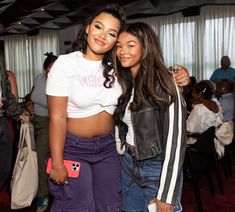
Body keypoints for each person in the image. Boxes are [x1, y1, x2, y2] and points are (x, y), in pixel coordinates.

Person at [46, 5, 189, 212]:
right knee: (77, 206)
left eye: (111, 33)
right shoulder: (66, 63)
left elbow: (147, 72)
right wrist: (57, 163)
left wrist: (175, 73)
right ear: (87, 27)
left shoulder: (117, 67)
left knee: (111, 206)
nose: (103, 36)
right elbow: (57, 117)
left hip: (109, 150)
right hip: (76, 148)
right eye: (98, 27)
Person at [113, 22, 187, 212]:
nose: (122, 51)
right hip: (129, 162)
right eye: (119, 46)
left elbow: (175, 142)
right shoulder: (125, 80)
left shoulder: (164, 82)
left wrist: (167, 194)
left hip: (157, 167)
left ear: (146, 47)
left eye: (131, 45)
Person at [30, 52, 57, 212]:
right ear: (45, 68)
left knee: (41, 159)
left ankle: (43, 195)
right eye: (49, 68)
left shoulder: (60, 82)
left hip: (50, 122)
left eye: (54, 67)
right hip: (37, 122)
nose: (51, 71)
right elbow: (32, 95)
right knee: (38, 158)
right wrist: (28, 106)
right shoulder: (40, 78)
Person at [0, 56, 27, 189]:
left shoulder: (3, 71)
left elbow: (9, 96)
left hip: (3, 120)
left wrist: (20, 113)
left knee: (5, 166)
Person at [186, 80, 223, 144]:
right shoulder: (216, 104)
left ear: (200, 94)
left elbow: (189, 128)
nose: (192, 94)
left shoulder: (199, 108)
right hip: (213, 143)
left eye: (194, 92)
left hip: (198, 143)